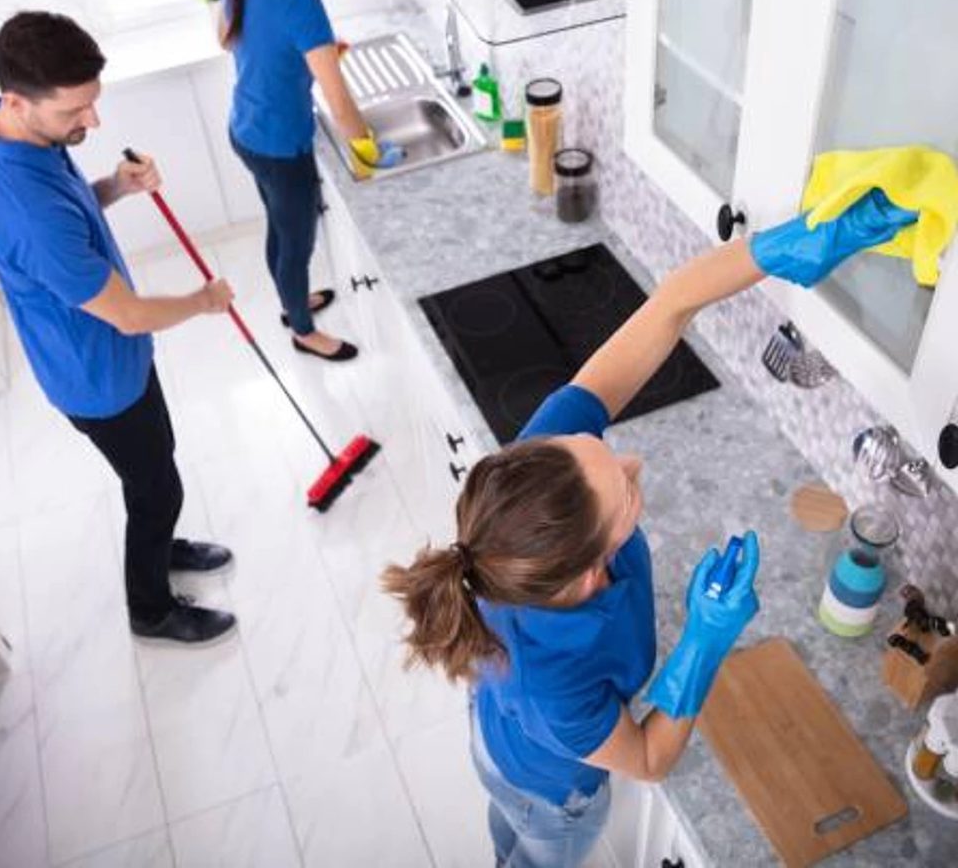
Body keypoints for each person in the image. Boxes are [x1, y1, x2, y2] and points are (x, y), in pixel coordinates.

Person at [382, 192, 916, 868]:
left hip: (502, 726)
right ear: (589, 570)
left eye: (598, 448)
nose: (631, 461)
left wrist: (782, 248)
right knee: (532, 847)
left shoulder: (538, 475)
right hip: (548, 790)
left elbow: (670, 306)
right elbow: (646, 758)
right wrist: (706, 638)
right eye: (626, 490)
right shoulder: (553, 679)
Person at [0, 11, 238, 646]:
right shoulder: (28, 211)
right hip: (98, 378)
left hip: (109, 357)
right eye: (75, 111)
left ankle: (162, 542)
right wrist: (202, 301)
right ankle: (151, 610)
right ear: (18, 100)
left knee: (155, 469)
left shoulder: (3, 132)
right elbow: (127, 313)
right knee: (156, 488)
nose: (93, 122)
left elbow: (72, 212)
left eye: (93, 102)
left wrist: (116, 185)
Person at [220, 0, 403, 363]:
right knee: (296, 243)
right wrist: (369, 148)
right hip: (281, 145)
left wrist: (304, 55)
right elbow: (339, 102)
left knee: (279, 228)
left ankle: (292, 301)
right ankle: (303, 331)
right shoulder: (303, 5)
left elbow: (227, 38)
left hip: (245, 128)